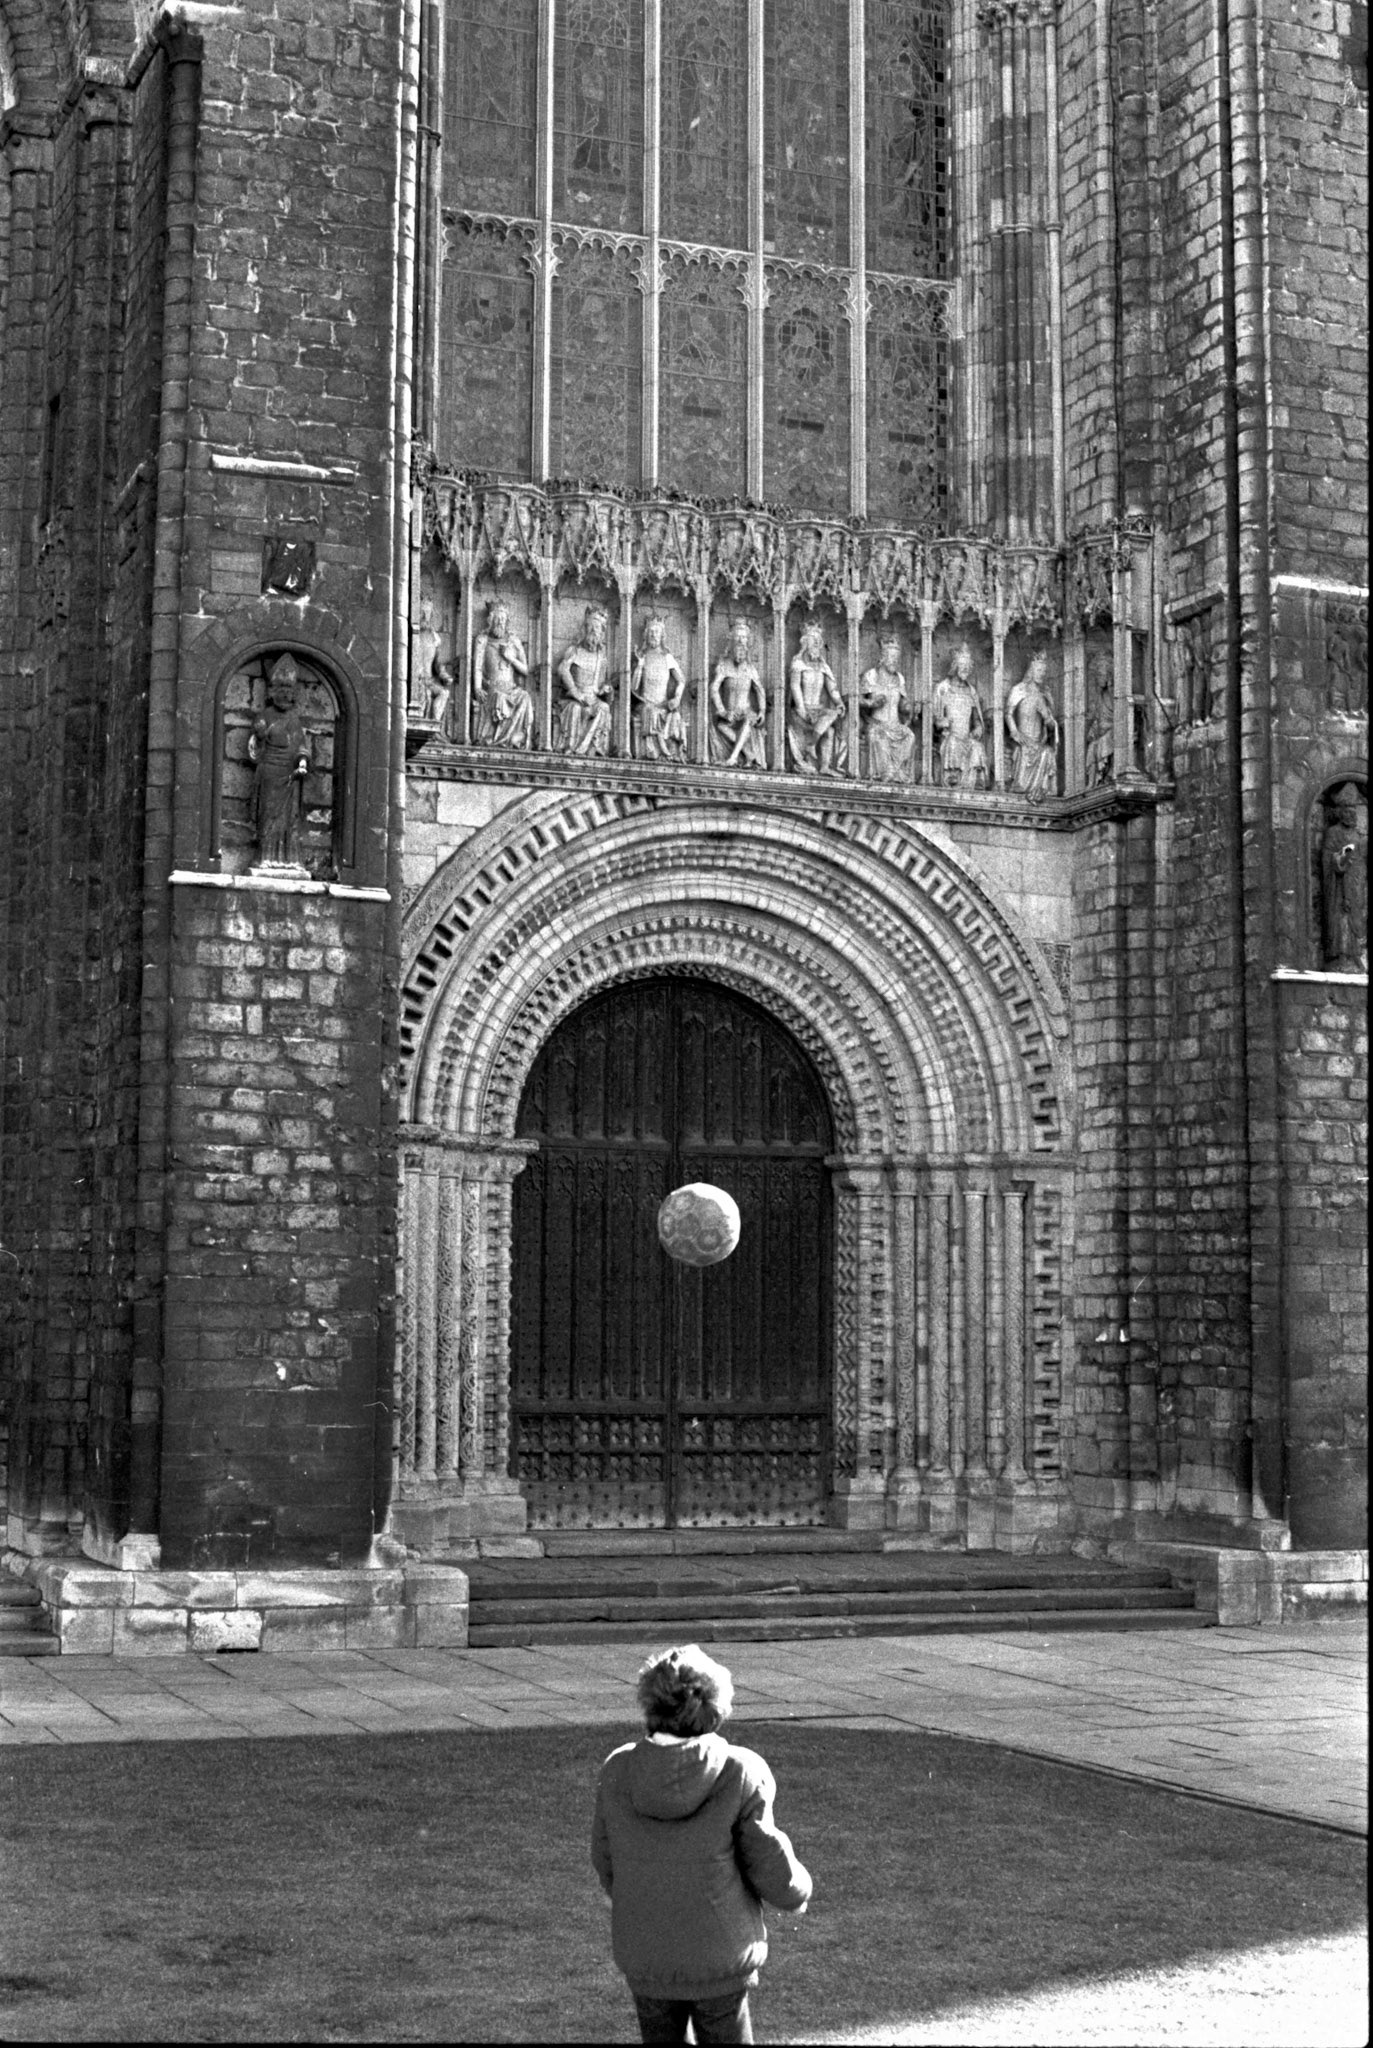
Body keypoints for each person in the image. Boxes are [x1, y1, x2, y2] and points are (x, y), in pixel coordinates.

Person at [592, 1644, 812, 2046]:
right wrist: (796, 1891)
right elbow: (765, 1855)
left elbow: (606, 1859)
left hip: (647, 1953)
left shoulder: (619, 1768)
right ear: (714, 1705)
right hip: (720, 1955)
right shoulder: (739, 1769)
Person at [787, 618, 846, 775]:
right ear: (805, 643)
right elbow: (794, 687)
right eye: (814, 642)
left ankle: (823, 764)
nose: (817, 646)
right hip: (802, 711)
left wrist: (839, 702)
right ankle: (811, 746)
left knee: (831, 724)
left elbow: (832, 687)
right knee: (829, 724)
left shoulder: (823, 666)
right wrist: (801, 709)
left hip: (818, 711)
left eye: (819, 643)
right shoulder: (798, 663)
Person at [710, 619, 769, 770]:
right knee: (722, 727)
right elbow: (714, 688)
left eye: (744, 638)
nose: (741, 641)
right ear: (731, 640)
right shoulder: (723, 666)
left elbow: (759, 690)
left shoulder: (750, 669)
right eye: (738, 637)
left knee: (748, 721)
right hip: (731, 714)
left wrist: (762, 710)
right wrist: (722, 711)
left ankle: (733, 757)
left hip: (746, 712)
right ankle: (748, 753)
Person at [860, 632, 917, 783]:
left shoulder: (899, 678)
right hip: (877, 724)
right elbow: (858, 700)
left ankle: (899, 773)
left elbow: (903, 703)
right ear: (883, 657)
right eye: (891, 658)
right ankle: (887, 772)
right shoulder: (871, 675)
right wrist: (871, 703)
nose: (894, 662)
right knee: (878, 737)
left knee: (910, 736)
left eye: (897, 659)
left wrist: (909, 707)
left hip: (896, 725)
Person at [632, 614, 689, 761]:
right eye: (650, 631)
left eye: (656, 632)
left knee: (675, 716)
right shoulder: (643, 656)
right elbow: (633, 686)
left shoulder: (667, 657)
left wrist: (676, 698)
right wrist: (639, 665)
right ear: (646, 635)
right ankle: (658, 752)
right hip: (646, 703)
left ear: (662, 635)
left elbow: (681, 680)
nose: (653, 635)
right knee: (651, 711)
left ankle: (672, 752)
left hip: (663, 704)